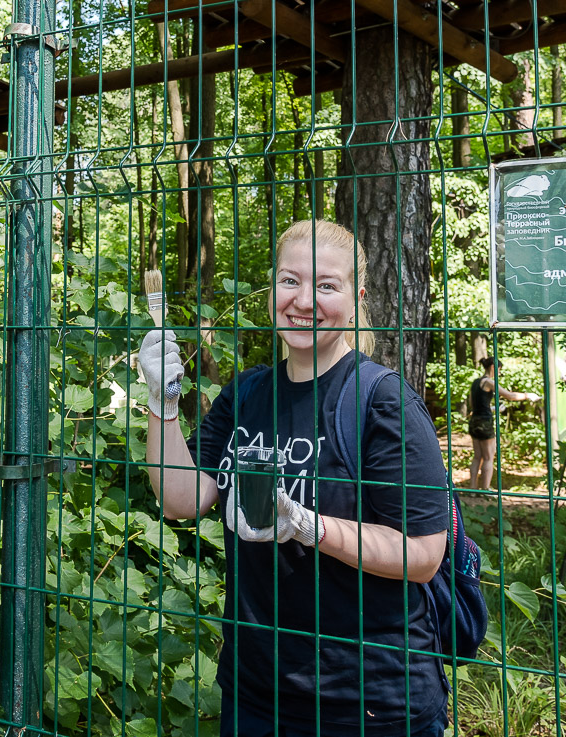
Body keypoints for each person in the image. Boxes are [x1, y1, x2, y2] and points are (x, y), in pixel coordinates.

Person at [138, 220, 452, 737]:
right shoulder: (246, 394)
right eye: (290, 281)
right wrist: (162, 404)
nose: (303, 301)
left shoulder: (381, 401)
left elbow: (422, 556)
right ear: (272, 287)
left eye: (326, 285)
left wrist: (311, 527)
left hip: (367, 702)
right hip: (256, 693)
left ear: (357, 297)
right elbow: (180, 498)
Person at [467, 357, 540, 491]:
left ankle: (472, 489)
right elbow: (510, 396)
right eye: (499, 370)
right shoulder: (489, 382)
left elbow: (473, 404)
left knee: (477, 456)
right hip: (485, 423)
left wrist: (493, 409)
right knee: (488, 457)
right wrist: (528, 395)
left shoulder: (475, 382)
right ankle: (485, 489)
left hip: (474, 422)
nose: (499, 373)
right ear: (493, 367)